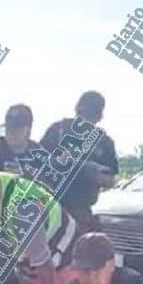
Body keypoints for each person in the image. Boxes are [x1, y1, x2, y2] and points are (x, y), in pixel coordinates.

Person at [40, 91, 118, 231]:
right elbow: (36, 163)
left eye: (90, 117)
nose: (85, 120)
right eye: (82, 115)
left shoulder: (104, 142)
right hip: (50, 204)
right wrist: (59, 161)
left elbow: (111, 180)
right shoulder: (57, 131)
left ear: (98, 117)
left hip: (80, 210)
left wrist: (89, 171)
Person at [0, 104, 38, 173]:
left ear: (28, 131)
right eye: (9, 128)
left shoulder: (39, 156)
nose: (12, 133)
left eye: (17, 129)